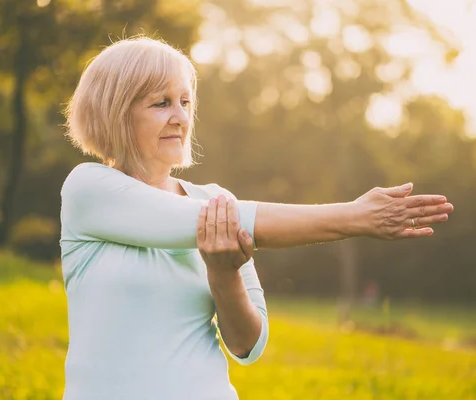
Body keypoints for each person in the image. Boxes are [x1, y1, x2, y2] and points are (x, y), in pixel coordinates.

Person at [60, 37, 454, 400]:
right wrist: (355, 217)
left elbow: (249, 346)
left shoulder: (216, 201)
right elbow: (218, 222)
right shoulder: (88, 190)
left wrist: (223, 275)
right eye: (160, 102)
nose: (179, 117)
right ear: (115, 112)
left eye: (185, 101)